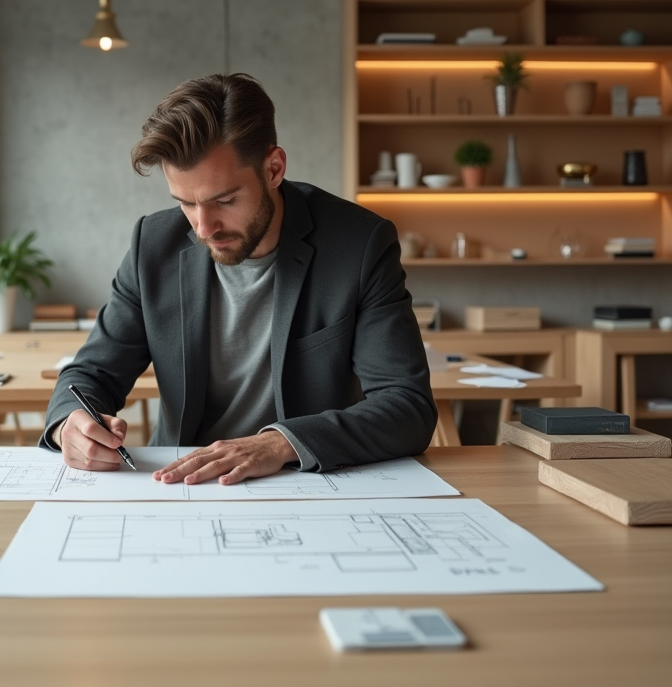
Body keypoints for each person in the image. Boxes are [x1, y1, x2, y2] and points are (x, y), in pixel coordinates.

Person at [39, 72, 436, 485]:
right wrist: (70, 424)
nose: (203, 227)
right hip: (180, 485)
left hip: (305, 482)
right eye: (185, 204)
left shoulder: (358, 244)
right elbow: (90, 375)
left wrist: (280, 444)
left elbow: (406, 406)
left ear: (274, 168)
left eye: (224, 201)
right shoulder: (152, 246)